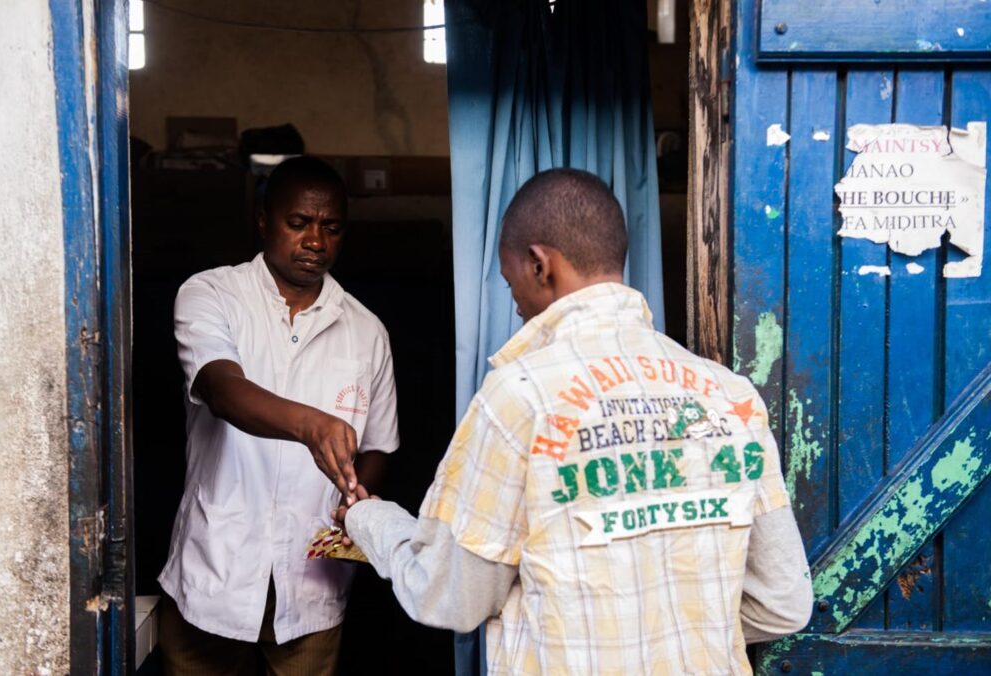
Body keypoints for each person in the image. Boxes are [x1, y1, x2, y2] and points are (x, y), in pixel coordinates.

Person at [339, 168, 813, 674]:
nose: (516, 305)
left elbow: (452, 596)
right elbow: (783, 601)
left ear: (540, 265)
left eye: (511, 281)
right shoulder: (729, 396)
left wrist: (369, 520)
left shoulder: (520, 398)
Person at [158, 155, 399, 675]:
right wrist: (312, 425)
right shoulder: (211, 294)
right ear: (264, 220)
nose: (316, 241)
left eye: (331, 228)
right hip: (215, 572)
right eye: (299, 223)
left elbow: (377, 446)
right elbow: (222, 389)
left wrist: (351, 501)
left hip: (312, 582)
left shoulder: (367, 331)